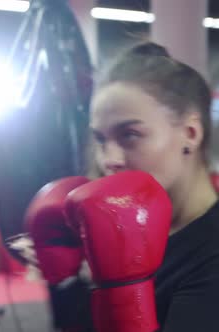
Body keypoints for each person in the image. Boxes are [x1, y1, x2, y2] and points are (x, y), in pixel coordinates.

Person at [15, 42, 219, 332]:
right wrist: (69, 279)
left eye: (130, 135)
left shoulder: (211, 254)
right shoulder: (112, 229)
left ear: (190, 133)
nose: (109, 159)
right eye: (100, 139)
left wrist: (119, 290)